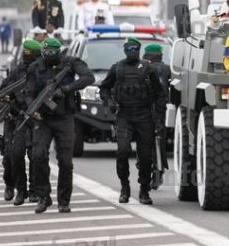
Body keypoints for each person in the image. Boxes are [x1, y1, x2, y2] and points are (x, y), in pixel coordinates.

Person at [26, 38, 94, 213]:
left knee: (65, 161)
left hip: (65, 118)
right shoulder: (35, 67)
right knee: (38, 155)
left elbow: (88, 77)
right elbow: (29, 93)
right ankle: (43, 196)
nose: (49, 56)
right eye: (46, 52)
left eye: (52, 53)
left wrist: (67, 88)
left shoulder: (70, 63)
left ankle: (64, 201)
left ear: (58, 52)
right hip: (43, 118)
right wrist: (32, 109)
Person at [99, 38, 166, 205]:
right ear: (124, 50)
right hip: (124, 115)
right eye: (129, 48)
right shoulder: (118, 68)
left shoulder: (148, 69)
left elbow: (159, 94)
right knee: (122, 151)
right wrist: (109, 102)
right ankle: (124, 188)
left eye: (135, 48)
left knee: (145, 157)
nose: (132, 51)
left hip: (144, 115)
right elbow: (104, 88)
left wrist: (159, 119)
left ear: (139, 50)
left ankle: (144, 190)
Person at [1, 39, 42, 205]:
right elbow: (4, 92)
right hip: (16, 118)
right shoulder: (16, 72)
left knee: (35, 156)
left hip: (34, 118)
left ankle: (33, 191)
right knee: (12, 156)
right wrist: (7, 108)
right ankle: (16, 188)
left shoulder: (42, 72)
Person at [143, 43, 170, 190]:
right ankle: (158, 173)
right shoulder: (165, 69)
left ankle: (147, 175)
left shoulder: (141, 67)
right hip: (160, 110)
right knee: (159, 142)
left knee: (144, 143)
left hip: (143, 110)